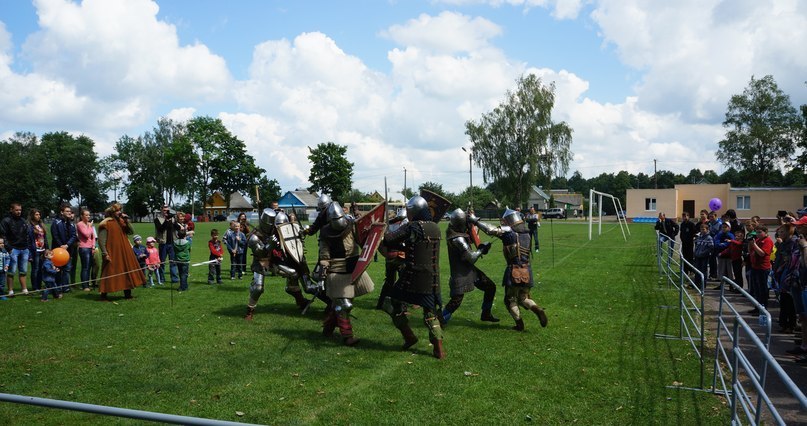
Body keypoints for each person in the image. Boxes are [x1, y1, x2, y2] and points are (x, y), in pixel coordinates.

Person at [381, 196, 446, 359]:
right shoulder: (435, 228)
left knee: (391, 302)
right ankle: (439, 349)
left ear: (414, 211)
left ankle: (409, 336)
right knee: (430, 312)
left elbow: (388, 240)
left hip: (411, 276)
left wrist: (383, 229)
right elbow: (414, 245)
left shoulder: (412, 227)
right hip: (432, 277)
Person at [473, 208, 548, 331]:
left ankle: (519, 324)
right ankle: (537, 309)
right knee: (524, 298)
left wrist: (475, 221)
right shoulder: (527, 232)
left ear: (509, 220)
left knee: (509, 300)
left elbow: (490, 230)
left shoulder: (509, 232)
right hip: (527, 270)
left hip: (514, 270)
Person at [317, 202, 375, 345]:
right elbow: (324, 250)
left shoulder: (352, 225)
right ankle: (347, 336)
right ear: (330, 221)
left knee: (342, 304)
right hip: (337, 269)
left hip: (354, 268)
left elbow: (364, 238)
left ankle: (327, 329)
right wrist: (324, 263)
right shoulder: (325, 232)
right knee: (345, 305)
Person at [441, 208, 498, 324]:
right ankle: (439, 320)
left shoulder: (454, 232)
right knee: (456, 301)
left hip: (470, 271)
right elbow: (471, 258)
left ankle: (486, 313)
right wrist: (482, 249)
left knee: (490, 287)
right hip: (460, 272)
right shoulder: (457, 239)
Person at [97, 203, 145, 301]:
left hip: (124, 250)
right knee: (109, 271)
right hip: (112, 251)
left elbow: (131, 232)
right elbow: (101, 240)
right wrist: (105, 253)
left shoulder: (122, 221)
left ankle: (127, 294)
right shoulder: (106, 223)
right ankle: (103, 294)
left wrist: (127, 221)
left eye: (120, 210)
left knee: (126, 269)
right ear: (112, 212)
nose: (119, 212)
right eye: (117, 211)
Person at [376, 208, 406, 310]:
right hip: (399, 257)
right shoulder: (402, 226)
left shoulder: (387, 225)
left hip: (390, 256)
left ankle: (380, 303)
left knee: (389, 281)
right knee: (403, 281)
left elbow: (382, 242)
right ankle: (402, 307)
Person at [1, 203, 31, 296]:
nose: (19, 212)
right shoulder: (6, 221)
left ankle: (24, 289)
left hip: (24, 249)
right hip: (13, 249)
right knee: (11, 271)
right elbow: (2, 235)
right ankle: (10, 291)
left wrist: (27, 247)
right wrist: (9, 248)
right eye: (17, 210)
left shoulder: (23, 221)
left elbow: (27, 234)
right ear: (11, 210)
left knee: (23, 270)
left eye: (20, 210)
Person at [51, 204, 76, 294]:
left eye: (70, 211)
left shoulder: (72, 224)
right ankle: (57, 287)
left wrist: (67, 245)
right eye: (67, 211)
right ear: (62, 212)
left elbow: (73, 236)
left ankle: (65, 287)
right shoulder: (56, 222)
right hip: (58, 250)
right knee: (58, 269)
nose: (69, 213)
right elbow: (55, 235)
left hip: (68, 250)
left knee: (67, 269)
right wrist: (61, 245)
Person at [748, 225, 773, 314]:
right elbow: (751, 252)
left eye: (759, 232)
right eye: (756, 232)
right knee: (756, 289)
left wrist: (754, 244)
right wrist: (750, 244)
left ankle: (763, 308)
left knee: (762, 289)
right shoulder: (757, 240)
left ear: (765, 232)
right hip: (755, 267)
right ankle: (757, 307)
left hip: (763, 268)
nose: (757, 234)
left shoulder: (767, 241)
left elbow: (762, 253)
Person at [154, 205, 179, 284]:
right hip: (163, 243)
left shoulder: (172, 218)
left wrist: (173, 220)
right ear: (161, 210)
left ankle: (174, 279)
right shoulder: (157, 219)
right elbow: (160, 229)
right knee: (162, 262)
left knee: (173, 262)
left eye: (167, 210)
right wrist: (166, 220)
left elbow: (178, 228)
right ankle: (162, 278)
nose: (166, 212)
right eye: (164, 210)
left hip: (172, 243)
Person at [27, 208, 48, 292]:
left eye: (39, 214)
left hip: (42, 250)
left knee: (41, 269)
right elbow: (28, 240)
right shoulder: (29, 226)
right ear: (32, 215)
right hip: (34, 251)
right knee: (35, 269)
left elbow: (45, 238)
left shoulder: (41, 225)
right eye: (36, 214)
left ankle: (39, 286)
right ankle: (35, 287)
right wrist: (29, 253)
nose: (38, 216)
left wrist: (47, 249)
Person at [76, 209, 96, 292]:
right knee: (85, 267)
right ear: (82, 216)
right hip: (83, 248)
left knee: (89, 267)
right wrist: (90, 226)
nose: (88, 216)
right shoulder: (80, 224)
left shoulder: (89, 224)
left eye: (89, 215)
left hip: (90, 247)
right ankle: (85, 286)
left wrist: (93, 246)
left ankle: (88, 284)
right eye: (86, 215)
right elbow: (87, 234)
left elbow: (93, 236)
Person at [712, 222, 734, 290]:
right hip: (721, 255)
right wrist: (721, 244)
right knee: (721, 270)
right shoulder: (720, 234)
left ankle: (731, 285)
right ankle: (721, 284)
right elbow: (716, 242)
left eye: (725, 227)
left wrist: (722, 244)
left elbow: (729, 244)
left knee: (730, 271)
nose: (724, 228)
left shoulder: (731, 235)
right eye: (723, 227)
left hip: (729, 255)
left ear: (729, 228)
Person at [693, 223, 714, 288]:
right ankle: (696, 283)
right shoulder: (699, 237)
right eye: (701, 229)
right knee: (697, 269)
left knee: (703, 270)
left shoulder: (709, 238)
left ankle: (703, 284)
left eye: (703, 229)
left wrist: (703, 253)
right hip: (697, 256)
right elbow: (697, 246)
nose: (702, 231)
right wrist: (695, 252)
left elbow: (711, 247)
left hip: (704, 257)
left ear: (707, 230)